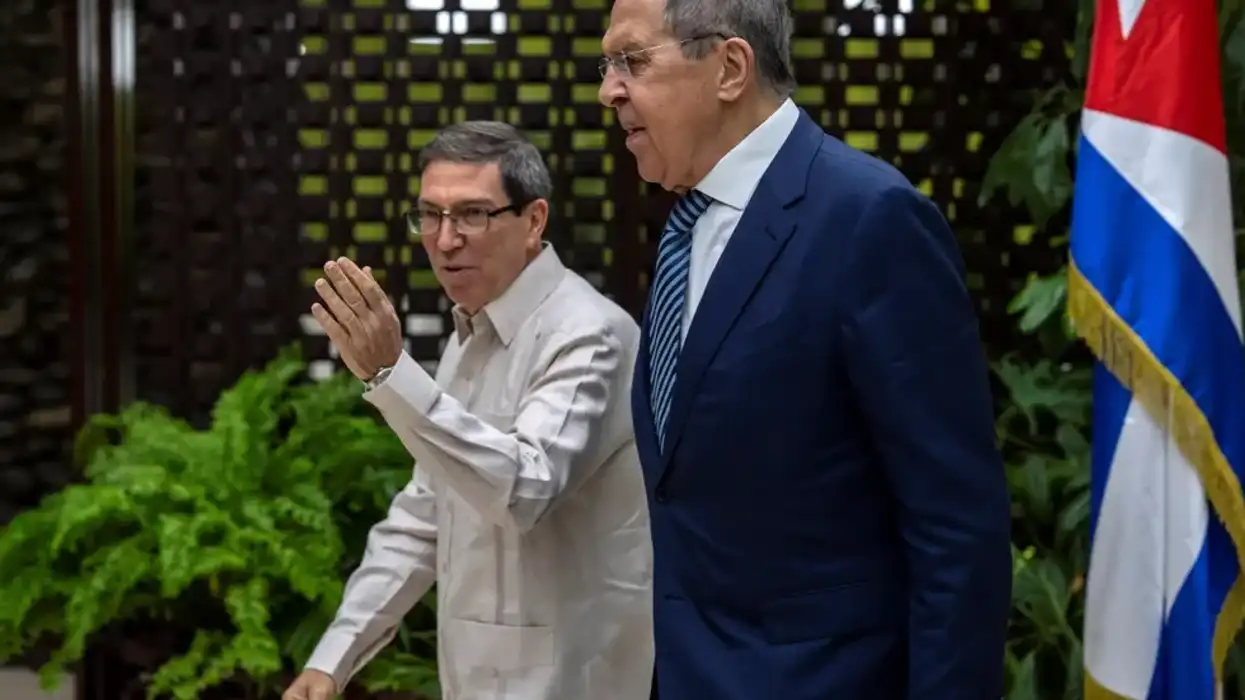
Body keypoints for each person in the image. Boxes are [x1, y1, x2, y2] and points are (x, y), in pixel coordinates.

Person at [598, 1, 1013, 699]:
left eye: (632, 61)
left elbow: (955, 525)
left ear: (730, 68)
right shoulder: (685, 224)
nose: (608, 89)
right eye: (606, 65)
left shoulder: (869, 218)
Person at [283, 121, 653, 700]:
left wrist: (390, 373)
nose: (446, 239)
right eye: (430, 215)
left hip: (570, 679)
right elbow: (425, 513)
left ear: (533, 221)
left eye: (472, 215)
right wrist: (334, 658)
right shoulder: (470, 329)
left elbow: (525, 488)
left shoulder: (589, 334)